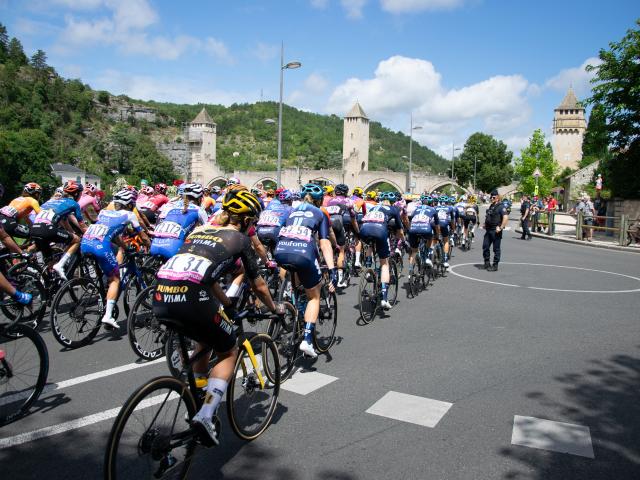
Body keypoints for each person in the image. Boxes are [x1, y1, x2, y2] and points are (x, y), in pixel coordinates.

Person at [153, 186, 285, 446]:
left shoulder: (200, 230)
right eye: (253, 222)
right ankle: (206, 414)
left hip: (161, 294)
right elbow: (258, 285)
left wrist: (227, 303)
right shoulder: (241, 239)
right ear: (247, 220)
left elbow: (207, 276)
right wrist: (274, 308)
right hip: (192, 298)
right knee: (228, 351)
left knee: (203, 340)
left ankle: (198, 394)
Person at [274, 183, 337, 357]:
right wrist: (332, 269)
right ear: (319, 201)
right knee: (314, 296)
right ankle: (307, 340)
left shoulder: (290, 210)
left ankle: (293, 303)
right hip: (303, 253)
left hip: (281, 250)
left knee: (298, 283)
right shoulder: (321, 212)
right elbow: (324, 242)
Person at [81, 189, 150, 329]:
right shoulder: (130, 215)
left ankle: (104, 297)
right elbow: (142, 236)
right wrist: (150, 246)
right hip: (100, 247)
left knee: (107, 274)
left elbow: (113, 235)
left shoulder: (104, 212)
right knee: (115, 279)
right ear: (130, 204)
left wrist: (125, 247)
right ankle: (107, 315)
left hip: (85, 243)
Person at [31, 180, 87, 280]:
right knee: (77, 240)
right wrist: (90, 235)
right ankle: (60, 265)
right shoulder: (73, 203)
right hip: (47, 229)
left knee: (50, 262)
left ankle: (46, 284)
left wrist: (72, 233)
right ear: (76, 193)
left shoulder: (52, 202)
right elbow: (82, 226)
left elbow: (64, 222)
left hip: (35, 229)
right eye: (81, 193)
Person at [359, 191, 405, 309]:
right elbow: (400, 230)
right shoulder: (393, 209)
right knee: (384, 263)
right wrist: (403, 240)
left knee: (370, 243)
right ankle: (384, 298)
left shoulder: (374, 207)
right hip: (379, 231)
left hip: (364, 230)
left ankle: (369, 267)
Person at [482, 190, 508, 271]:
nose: (491, 198)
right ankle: (487, 262)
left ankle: (495, 265)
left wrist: (501, 227)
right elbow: (489, 215)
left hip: (496, 231)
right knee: (485, 246)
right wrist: (485, 224)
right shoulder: (491, 206)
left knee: (496, 249)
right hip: (488, 230)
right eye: (491, 197)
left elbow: (505, 217)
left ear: (497, 197)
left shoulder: (501, 207)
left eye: (493, 197)